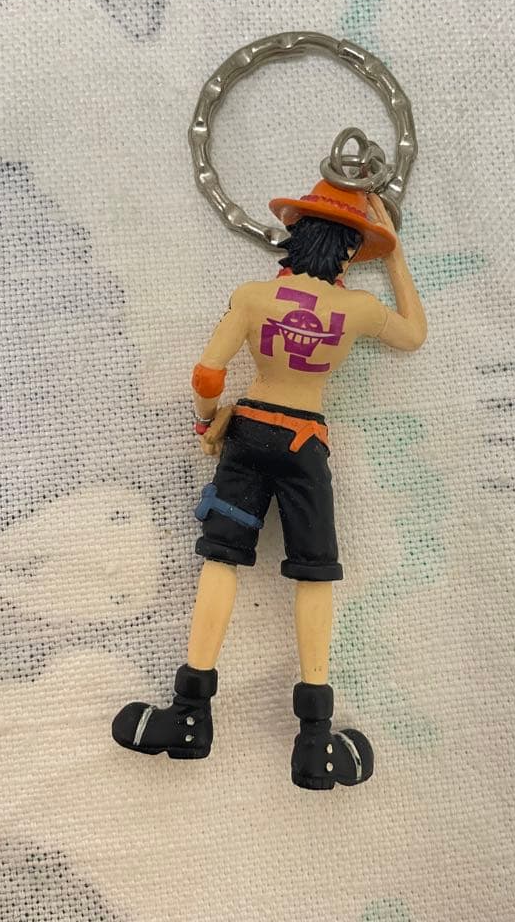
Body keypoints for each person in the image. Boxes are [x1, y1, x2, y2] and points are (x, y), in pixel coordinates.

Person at [112, 179, 426, 790]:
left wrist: (207, 422)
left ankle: (189, 713)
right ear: (349, 250)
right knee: (315, 574)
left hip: (250, 433)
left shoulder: (254, 297)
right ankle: (315, 738)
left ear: (294, 234)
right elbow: (414, 335)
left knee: (221, 561)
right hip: (306, 443)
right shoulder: (356, 310)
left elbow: (207, 374)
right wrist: (394, 253)